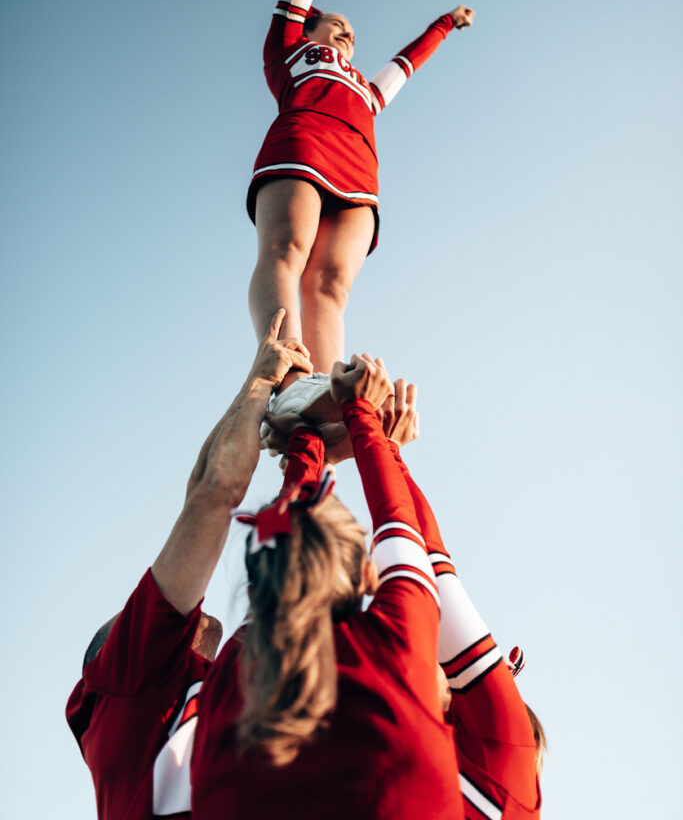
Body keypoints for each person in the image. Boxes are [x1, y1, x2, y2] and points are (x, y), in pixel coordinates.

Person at [248, 0, 475, 420]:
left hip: (358, 166)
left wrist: (446, 23)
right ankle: (288, 373)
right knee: (286, 252)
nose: (348, 34)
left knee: (330, 285)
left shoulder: (364, 87)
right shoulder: (290, 49)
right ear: (309, 24)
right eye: (337, 26)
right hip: (302, 142)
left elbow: (407, 62)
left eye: (352, 33)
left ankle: (328, 393)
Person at [191, 354, 464, 820]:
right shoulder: (394, 643)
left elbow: (398, 528)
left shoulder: (234, 674)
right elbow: (394, 520)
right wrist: (315, 436)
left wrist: (362, 416)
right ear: (366, 575)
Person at [66, 311, 311, 819]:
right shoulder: (150, 696)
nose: (175, 606)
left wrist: (262, 381)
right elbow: (209, 499)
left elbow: (206, 496)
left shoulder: (139, 683)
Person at [383, 377, 545, 818]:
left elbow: (431, 570)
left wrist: (383, 444)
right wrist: (385, 450)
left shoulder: (494, 752)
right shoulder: (499, 748)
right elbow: (433, 574)